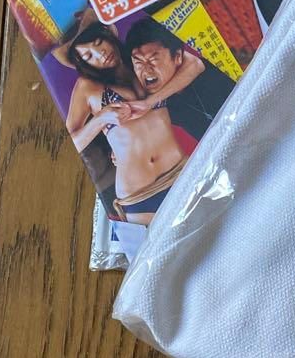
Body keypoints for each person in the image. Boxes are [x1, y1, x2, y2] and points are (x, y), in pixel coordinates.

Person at [57, 15, 202, 224]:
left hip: (180, 172)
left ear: (108, 35)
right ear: (82, 63)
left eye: (99, 43)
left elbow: (195, 64)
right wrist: (101, 119)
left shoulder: (139, 57)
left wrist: (151, 101)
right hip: (139, 195)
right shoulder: (87, 87)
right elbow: (71, 142)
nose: (100, 54)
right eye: (88, 55)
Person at [125, 17, 235, 141]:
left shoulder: (212, 72)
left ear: (177, 56)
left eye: (153, 59)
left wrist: (149, 102)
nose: (146, 70)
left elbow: (195, 64)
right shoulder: (164, 107)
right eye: (138, 63)